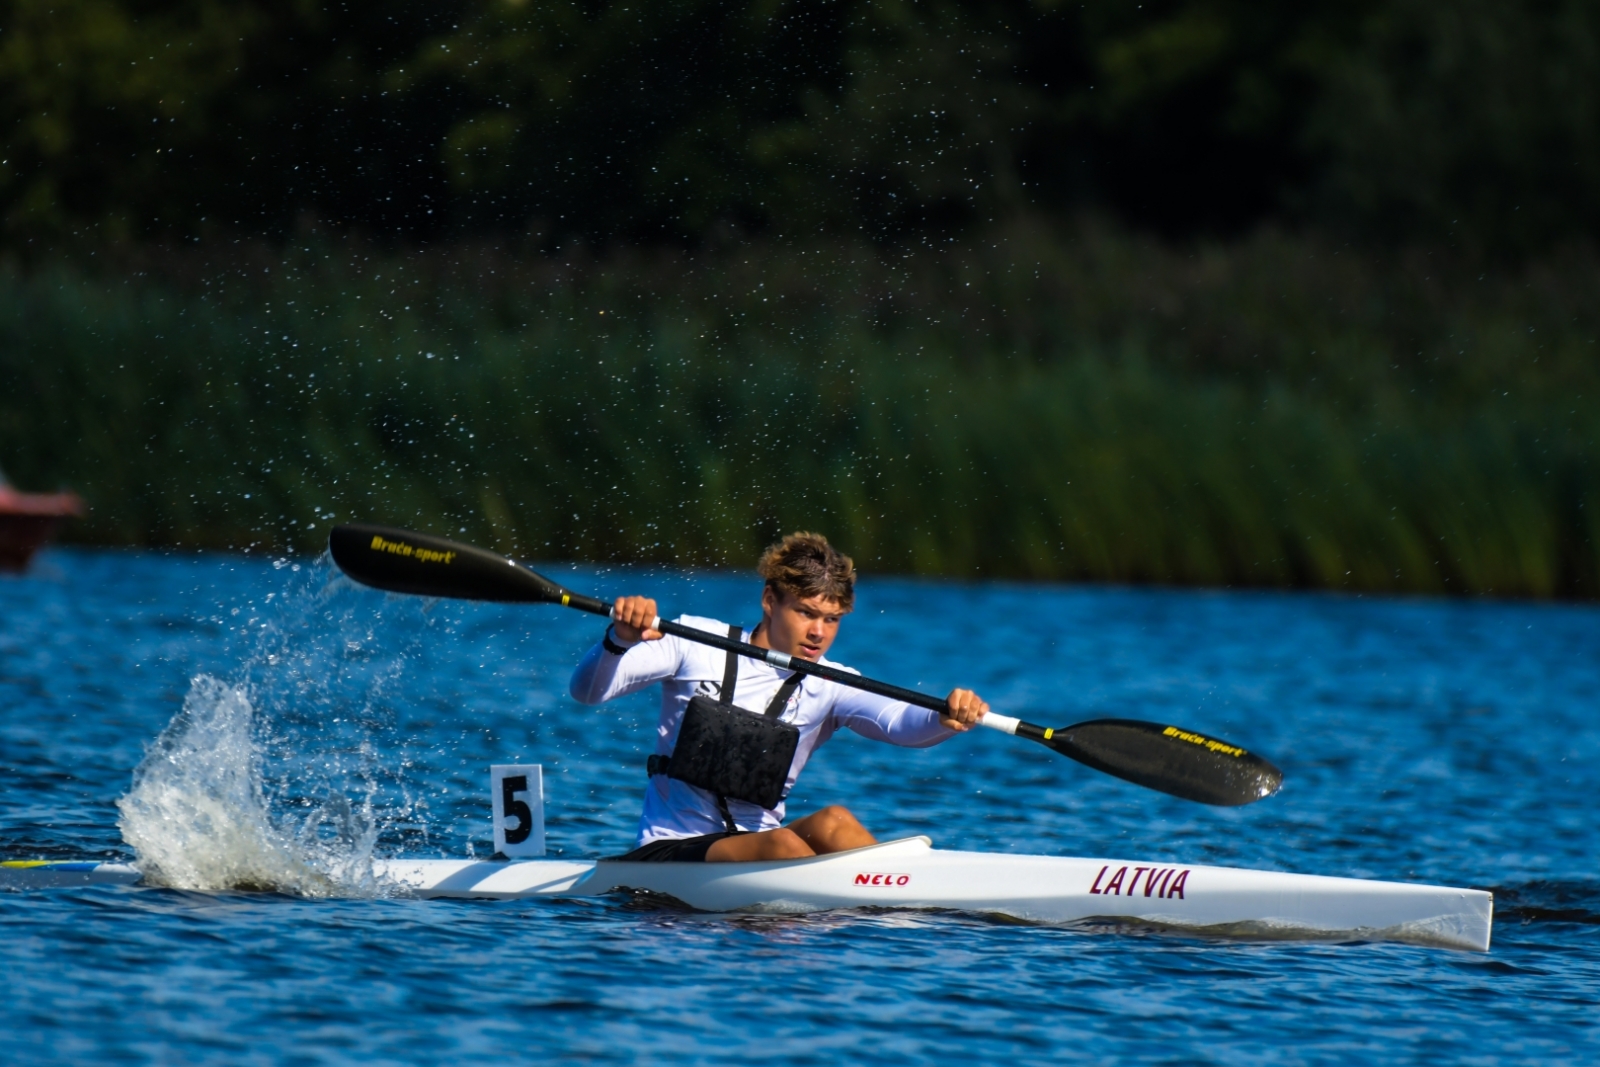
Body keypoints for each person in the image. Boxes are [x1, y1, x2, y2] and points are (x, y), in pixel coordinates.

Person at [569, 531, 990, 863]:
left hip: (762, 846)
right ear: (770, 600)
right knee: (783, 846)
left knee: (836, 821)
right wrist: (619, 640)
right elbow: (588, 693)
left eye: (831, 619)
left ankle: (909, 900)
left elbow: (899, 724)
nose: (819, 633)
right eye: (806, 613)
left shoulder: (830, 681)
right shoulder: (693, 642)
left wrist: (944, 719)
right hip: (672, 849)